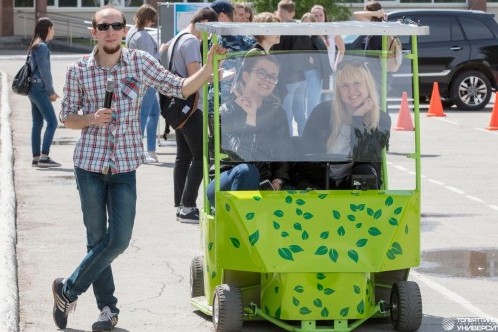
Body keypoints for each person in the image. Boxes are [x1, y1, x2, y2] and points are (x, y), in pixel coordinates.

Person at [54, 6, 225, 331]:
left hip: (123, 167)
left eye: (116, 25)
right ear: (94, 32)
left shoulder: (140, 62)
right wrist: (91, 119)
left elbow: (181, 87)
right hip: (89, 164)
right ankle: (108, 311)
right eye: (103, 26)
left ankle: (67, 289)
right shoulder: (78, 69)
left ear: (123, 30)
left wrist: (210, 65)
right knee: (97, 240)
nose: (110, 30)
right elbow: (66, 116)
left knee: (117, 240)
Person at [207, 52, 291, 207]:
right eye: (262, 73)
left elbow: (282, 151)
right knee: (247, 172)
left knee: (297, 191)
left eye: (273, 76)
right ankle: (238, 228)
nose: (267, 79)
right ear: (245, 76)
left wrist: (278, 180)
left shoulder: (277, 112)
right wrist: (251, 117)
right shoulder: (225, 112)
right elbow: (242, 156)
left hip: (265, 181)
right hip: (227, 179)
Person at [291, 61, 391, 190]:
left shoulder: (381, 119)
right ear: (338, 90)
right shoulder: (321, 112)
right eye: (344, 85)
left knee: (364, 171)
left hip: (354, 184)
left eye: (356, 83)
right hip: (318, 181)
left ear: (368, 85)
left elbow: (364, 158)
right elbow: (306, 158)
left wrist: (358, 118)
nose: (351, 90)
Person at [171, 7, 218, 224]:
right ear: (204, 23)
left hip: (175, 107)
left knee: (183, 157)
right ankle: (188, 206)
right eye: (210, 28)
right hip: (190, 106)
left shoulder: (176, 38)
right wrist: (217, 74)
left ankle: (181, 205)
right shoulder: (190, 41)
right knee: (202, 155)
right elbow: (195, 77)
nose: (209, 35)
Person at [126, 4, 168, 163]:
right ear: (149, 19)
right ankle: (140, 151)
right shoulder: (142, 36)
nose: (153, 23)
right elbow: (151, 60)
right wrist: (162, 49)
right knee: (144, 115)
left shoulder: (132, 32)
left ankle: (150, 150)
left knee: (153, 113)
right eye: (152, 20)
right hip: (146, 81)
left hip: (136, 79)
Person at [272, 0, 314, 136]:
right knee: (300, 114)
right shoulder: (301, 28)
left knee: (287, 115)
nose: (278, 14)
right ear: (294, 12)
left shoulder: (282, 30)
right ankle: (305, 141)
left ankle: (289, 144)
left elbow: (276, 53)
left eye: (279, 11)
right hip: (301, 78)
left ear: (283, 12)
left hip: (287, 79)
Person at [27, 17, 61, 168]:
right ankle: (44, 157)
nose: (54, 31)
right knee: (52, 122)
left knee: (37, 123)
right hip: (39, 88)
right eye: (53, 28)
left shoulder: (35, 45)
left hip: (32, 89)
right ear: (48, 29)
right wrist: (51, 92)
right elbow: (44, 72)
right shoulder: (42, 47)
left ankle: (36, 157)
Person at [300, 12, 332, 118]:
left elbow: (324, 59)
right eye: (304, 24)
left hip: (315, 75)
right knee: (303, 107)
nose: (307, 27)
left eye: (309, 24)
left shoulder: (317, 39)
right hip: (301, 76)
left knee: (313, 105)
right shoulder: (298, 38)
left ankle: (311, 130)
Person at [310, 4, 345, 73]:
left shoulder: (332, 30)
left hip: (329, 70)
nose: (319, 18)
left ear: (324, 16)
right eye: (316, 16)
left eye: (321, 15)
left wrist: (336, 65)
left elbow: (341, 49)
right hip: (313, 70)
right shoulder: (310, 31)